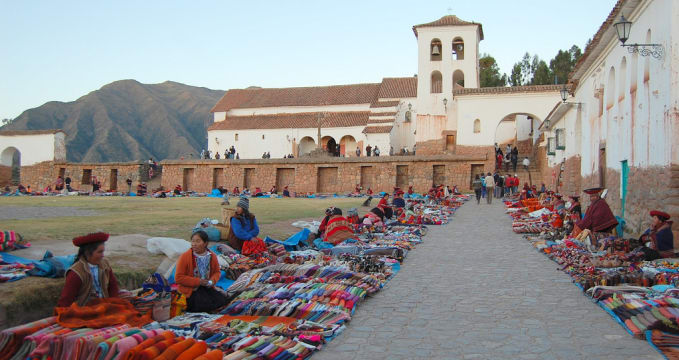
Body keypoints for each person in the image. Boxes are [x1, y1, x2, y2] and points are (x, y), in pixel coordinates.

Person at [57, 232, 120, 307]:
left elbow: (113, 286)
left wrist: (113, 303)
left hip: (105, 304)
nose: (103, 255)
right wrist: (60, 314)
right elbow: (66, 299)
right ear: (87, 253)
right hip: (86, 309)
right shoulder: (76, 273)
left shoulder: (104, 265)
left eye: (103, 251)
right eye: (100, 252)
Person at [175, 230, 229, 312]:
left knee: (221, 301)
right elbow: (178, 278)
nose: (194, 244)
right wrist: (198, 281)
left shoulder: (212, 256)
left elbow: (217, 272)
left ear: (205, 243)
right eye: (192, 241)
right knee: (202, 305)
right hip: (191, 290)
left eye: (198, 241)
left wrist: (211, 281)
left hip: (206, 287)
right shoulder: (185, 257)